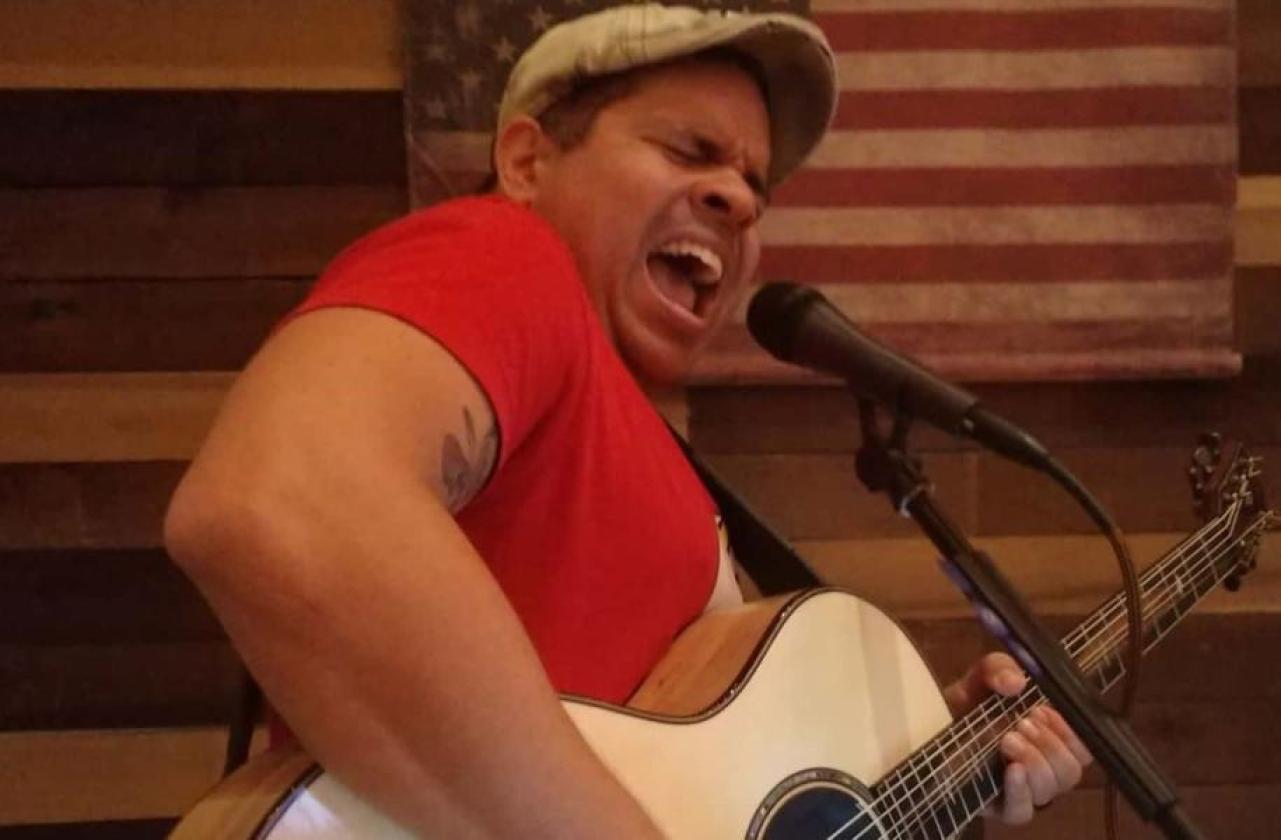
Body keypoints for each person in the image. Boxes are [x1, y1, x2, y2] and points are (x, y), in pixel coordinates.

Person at [164, 5, 1091, 838]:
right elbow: (279, 503)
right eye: (690, 152)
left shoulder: (631, 443)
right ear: (527, 161)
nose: (736, 198)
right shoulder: (503, 256)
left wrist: (930, 754)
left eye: (754, 186)